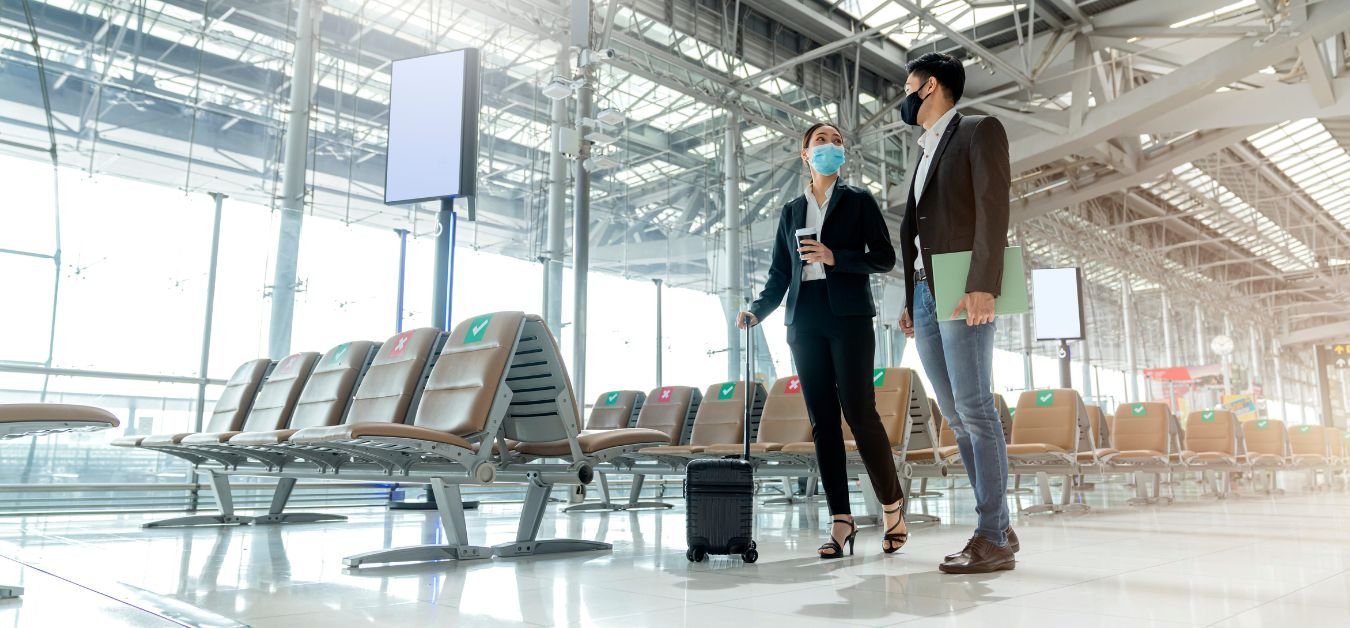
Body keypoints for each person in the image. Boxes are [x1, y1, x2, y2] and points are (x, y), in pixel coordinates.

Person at [737, 122, 907, 559]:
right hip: (804, 317)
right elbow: (779, 273)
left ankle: (892, 508)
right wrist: (758, 309)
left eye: (836, 141)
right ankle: (841, 520)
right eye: (821, 141)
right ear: (804, 154)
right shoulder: (792, 210)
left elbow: (884, 258)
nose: (830, 146)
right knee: (822, 422)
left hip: (848, 314)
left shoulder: (858, 201)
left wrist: (836, 258)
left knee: (859, 411)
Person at [897, 52, 1017, 574]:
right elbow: (920, 228)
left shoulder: (976, 130)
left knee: (974, 407)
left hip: (961, 286)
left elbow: (994, 208)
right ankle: (999, 525)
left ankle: (991, 533)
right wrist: (910, 297)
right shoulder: (924, 153)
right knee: (954, 412)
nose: (903, 96)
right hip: (926, 292)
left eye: (908, 86)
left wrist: (983, 285)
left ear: (931, 87)